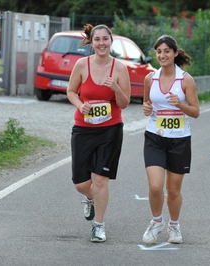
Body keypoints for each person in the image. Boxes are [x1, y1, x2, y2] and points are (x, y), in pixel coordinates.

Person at [66, 24, 131, 243]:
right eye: (97, 40)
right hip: (83, 129)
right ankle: (91, 198)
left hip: (110, 129)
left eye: (105, 39)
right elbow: (71, 91)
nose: (101, 43)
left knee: (100, 179)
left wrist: (116, 88)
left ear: (111, 41)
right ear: (92, 42)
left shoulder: (120, 68)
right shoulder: (81, 64)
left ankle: (99, 225)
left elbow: (124, 103)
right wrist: (79, 104)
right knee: (81, 183)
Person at [141, 35, 200, 244]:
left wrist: (180, 105)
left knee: (173, 190)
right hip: (155, 138)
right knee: (156, 187)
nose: (162, 55)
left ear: (175, 53)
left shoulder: (185, 79)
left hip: (180, 140)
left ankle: (174, 225)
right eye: (159, 52)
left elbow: (195, 112)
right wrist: (146, 108)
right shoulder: (150, 78)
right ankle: (156, 222)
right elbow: (147, 106)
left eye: (166, 51)